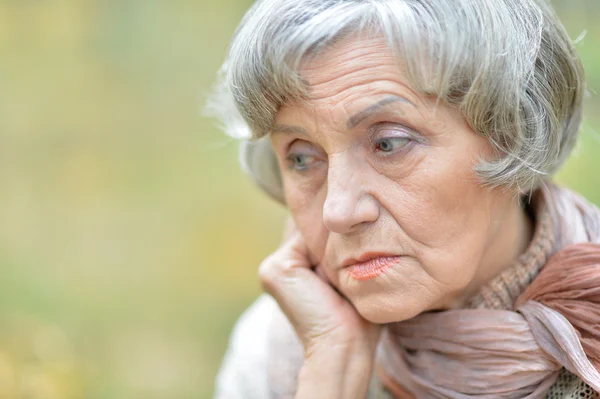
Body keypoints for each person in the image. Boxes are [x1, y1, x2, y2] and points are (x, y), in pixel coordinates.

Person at [208, 0, 600, 397]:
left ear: (513, 135)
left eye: (388, 143)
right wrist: (332, 366)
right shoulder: (280, 348)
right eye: (302, 158)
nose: (338, 212)